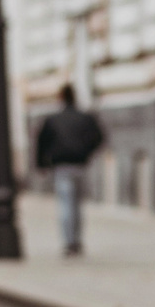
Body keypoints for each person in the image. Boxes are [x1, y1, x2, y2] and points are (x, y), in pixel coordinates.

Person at [34, 85, 106, 257]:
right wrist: (86, 153)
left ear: (60, 98)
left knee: (66, 204)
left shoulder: (53, 119)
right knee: (77, 205)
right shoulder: (85, 118)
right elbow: (98, 137)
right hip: (79, 165)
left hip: (62, 166)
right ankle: (76, 240)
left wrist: (42, 164)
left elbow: (41, 143)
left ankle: (69, 242)